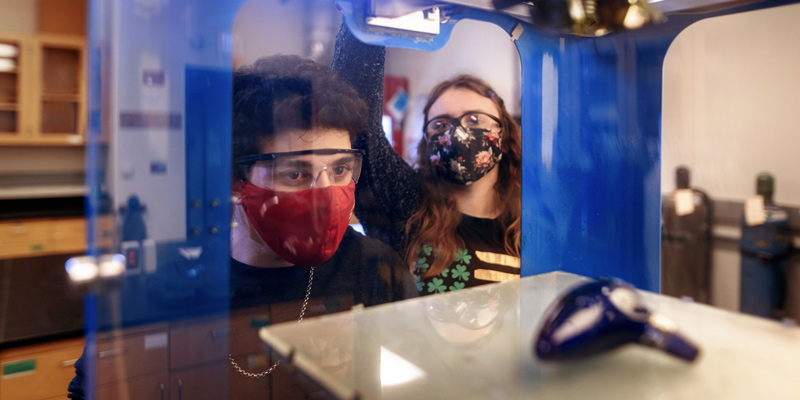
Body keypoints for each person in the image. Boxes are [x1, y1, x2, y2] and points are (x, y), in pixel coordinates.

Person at [68, 55, 417, 399]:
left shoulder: (375, 269)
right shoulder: (161, 283)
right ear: (236, 181)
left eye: (340, 170)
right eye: (296, 173)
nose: (325, 195)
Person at [332, 23, 523, 295]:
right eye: (441, 125)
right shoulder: (407, 205)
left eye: (473, 119)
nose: (459, 133)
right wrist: (367, 20)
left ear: (503, 135)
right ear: (427, 142)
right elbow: (358, 124)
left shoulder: (532, 221)